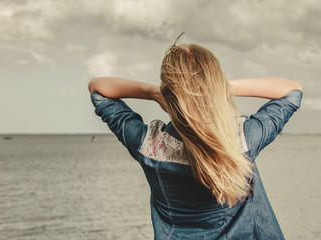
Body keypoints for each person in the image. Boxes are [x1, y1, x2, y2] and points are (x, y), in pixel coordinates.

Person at [88, 35, 303, 239]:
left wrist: (151, 92)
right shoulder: (242, 139)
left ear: (168, 93)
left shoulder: (149, 145)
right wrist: (219, 88)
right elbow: (292, 90)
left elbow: (97, 89)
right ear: (216, 84)